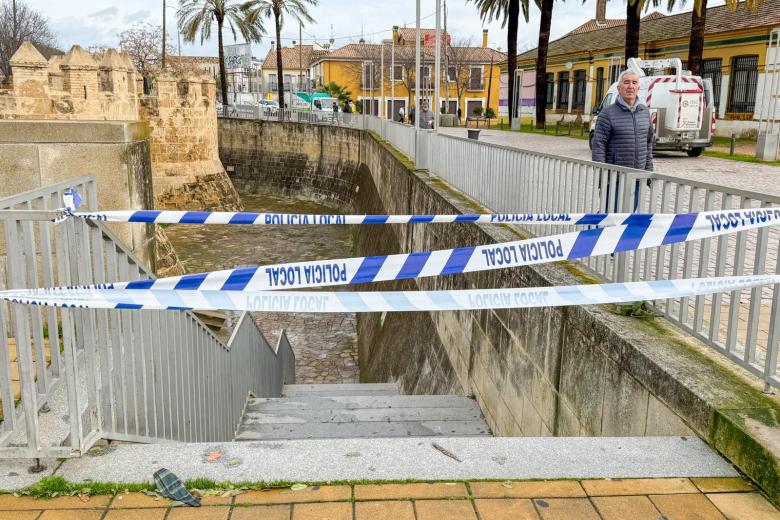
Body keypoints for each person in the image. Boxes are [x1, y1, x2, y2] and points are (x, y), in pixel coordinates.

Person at [591, 69, 653, 210]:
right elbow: (599, 146)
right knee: (609, 215)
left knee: (629, 214)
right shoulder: (607, 113)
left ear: (638, 87)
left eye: (634, 82)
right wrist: (604, 175)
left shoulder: (644, 112)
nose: (630, 86)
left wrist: (648, 170)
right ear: (619, 88)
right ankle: (596, 231)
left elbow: (649, 142)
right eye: (626, 82)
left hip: (637, 176)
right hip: (615, 178)